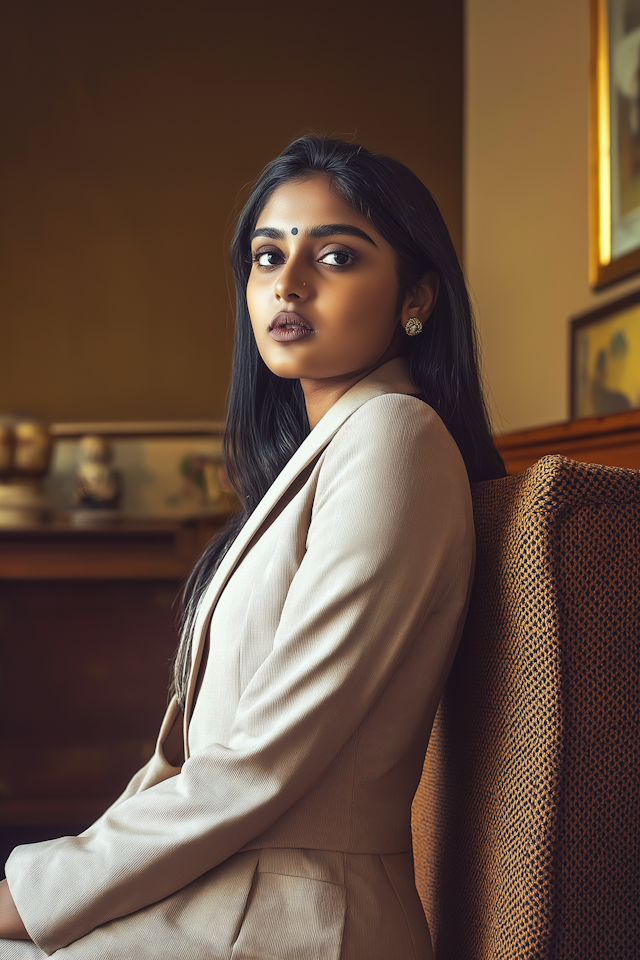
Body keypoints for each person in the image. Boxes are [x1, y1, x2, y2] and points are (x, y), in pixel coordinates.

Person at [0, 136, 505, 959]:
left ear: (417, 295)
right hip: (219, 899)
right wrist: (57, 890)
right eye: (267, 256)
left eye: (337, 255)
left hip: (298, 923)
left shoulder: (395, 438)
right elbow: (190, 759)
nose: (288, 283)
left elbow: (265, 761)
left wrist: (32, 895)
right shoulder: (325, 457)